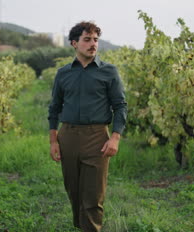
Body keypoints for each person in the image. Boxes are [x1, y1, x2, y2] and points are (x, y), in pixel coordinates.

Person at [48, 21, 127, 231]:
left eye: (95, 40)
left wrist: (115, 137)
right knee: (74, 193)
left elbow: (120, 106)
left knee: (93, 197)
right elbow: (54, 108)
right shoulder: (63, 74)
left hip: (97, 138)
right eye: (87, 39)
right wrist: (53, 141)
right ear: (74, 43)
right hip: (68, 137)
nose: (93, 44)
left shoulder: (109, 72)